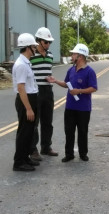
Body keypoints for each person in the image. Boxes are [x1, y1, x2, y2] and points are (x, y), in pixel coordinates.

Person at [47, 43, 97, 162]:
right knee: (69, 131)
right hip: (70, 107)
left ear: (80, 56)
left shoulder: (90, 72)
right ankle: (69, 154)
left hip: (84, 108)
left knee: (82, 132)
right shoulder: (71, 70)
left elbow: (94, 88)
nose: (71, 56)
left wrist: (79, 91)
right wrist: (55, 81)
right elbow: (66, 84)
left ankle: (83, 153)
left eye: (74, 54)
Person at [12, 33, 40, 171]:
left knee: (29, 131)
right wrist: (28, 108)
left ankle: (25, 157)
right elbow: (21, 88)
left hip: (30, 99)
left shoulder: (25, 63)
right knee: (24, 132)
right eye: (34, 46)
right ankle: (18, 162)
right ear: (28, 47)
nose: (36, 47)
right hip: (25, 101)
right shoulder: (21, 65)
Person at [30, 27, 58, 161]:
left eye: (49, 42)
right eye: (46, 42)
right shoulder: (31, 56)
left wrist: (51, 79)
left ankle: (46, 147)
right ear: (39, 41)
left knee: (48, 121)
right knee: (34, 122)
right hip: (36, 91)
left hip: (48, 90)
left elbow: (48, 72)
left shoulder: (50, 56)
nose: (48, 44)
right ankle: (33, 149)